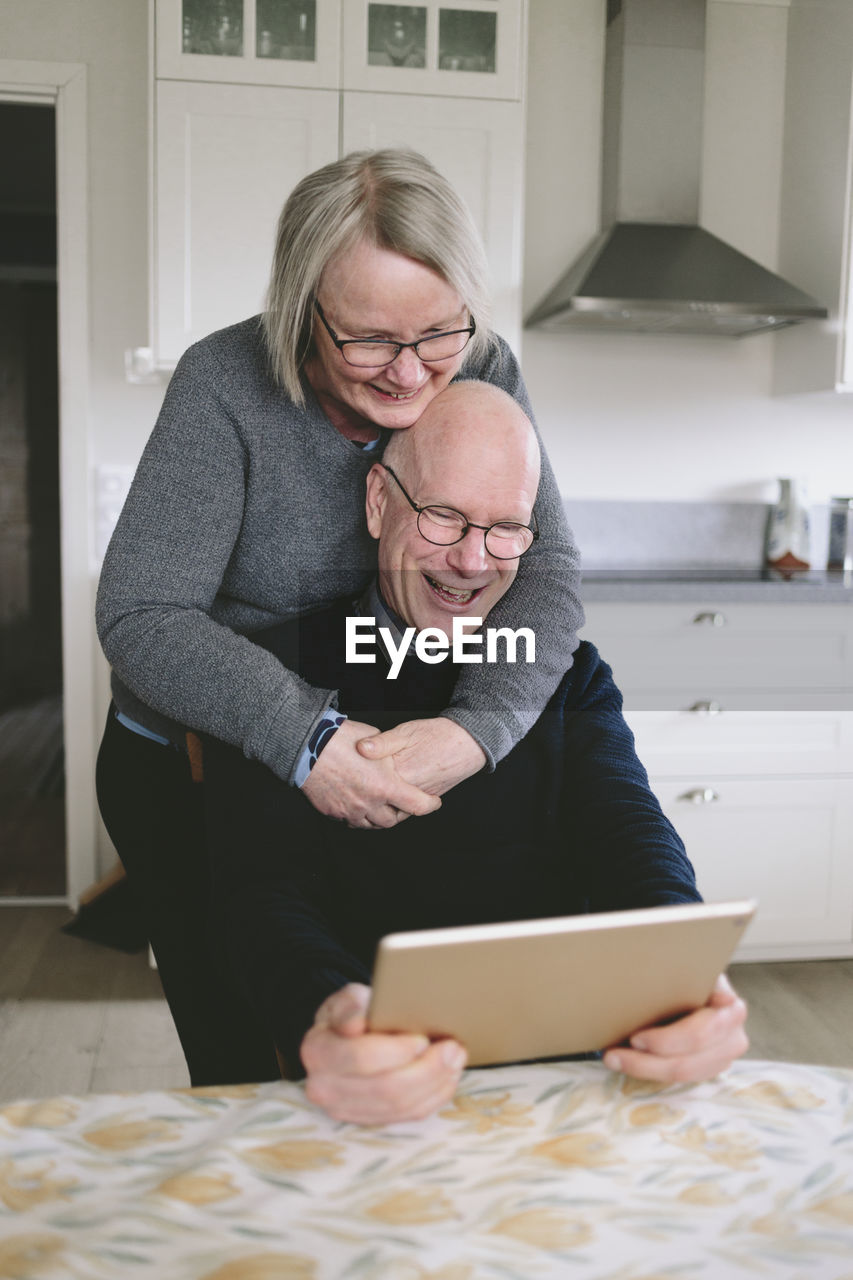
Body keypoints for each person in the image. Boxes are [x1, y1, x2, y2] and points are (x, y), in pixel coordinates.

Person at [95, 149, 584, 1086]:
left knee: (389, 1037)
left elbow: (545, 565)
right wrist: (307, 739)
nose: (411, 375)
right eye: (368, 340)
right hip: (201, 768)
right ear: (298, 308)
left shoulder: (482, 363)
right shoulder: (223, 383)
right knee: (246, 1055)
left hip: (387, 747)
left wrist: (476, 731)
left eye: (438, 334)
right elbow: (143, 613)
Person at [203, 382, 749, 1126]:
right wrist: (328, 1008)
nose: (472, 560)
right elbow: (261, 891)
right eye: (444, 517)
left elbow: (629, 832)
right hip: (374, 1075)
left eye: (506, 529)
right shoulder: (271, 674)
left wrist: (686, 978)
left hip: (574, 1076)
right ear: (377, 502)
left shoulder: (565, 670)